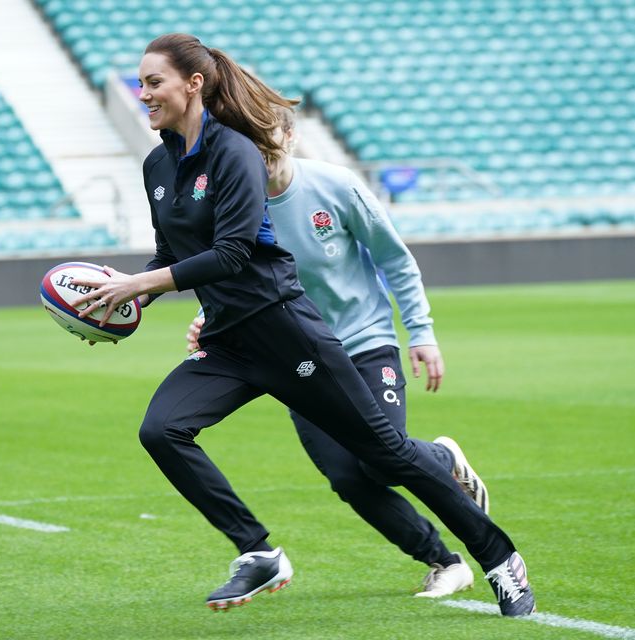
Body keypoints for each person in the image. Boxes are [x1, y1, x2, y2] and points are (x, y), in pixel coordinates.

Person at [70, 33, 535, 617]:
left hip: (286, 329)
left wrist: (141, 285)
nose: (142, 94)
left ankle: (498, 559)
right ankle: (257, 552)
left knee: (385, 456)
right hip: (229, 340)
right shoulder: (158, 165)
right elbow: (169, 252)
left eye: (153, 82)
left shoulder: (235, 152)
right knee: (162, 429)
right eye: (140, 83)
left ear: (194, 84)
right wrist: (125, 296)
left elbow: (234, 253)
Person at [184, 105, 486, 599]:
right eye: (247, 143)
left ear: (289, 134)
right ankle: (445, 562)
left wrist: (422, 332)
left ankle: (441, 456)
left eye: (267, 138)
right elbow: (231, 278)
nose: (259, 152)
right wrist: (206, 320)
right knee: (347, 476)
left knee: (383, 459)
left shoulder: (336, 185)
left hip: (366, 342)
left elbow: (394, 258)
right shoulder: (236, 203)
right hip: (297, 357)